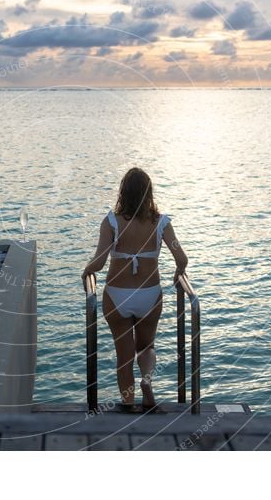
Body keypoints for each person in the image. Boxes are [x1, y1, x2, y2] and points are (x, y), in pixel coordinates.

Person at [81, 167, 188, 411]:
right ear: (149, 193)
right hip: (149, 295)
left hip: (117, 295)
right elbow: (181, 258)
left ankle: (128, 404)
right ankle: (147, 381)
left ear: (123, 193)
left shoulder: (111, 222)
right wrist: (177, 273)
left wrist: (85, 271)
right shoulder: (162, 223)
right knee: (146, 347)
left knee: (124, 355)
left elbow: (98, 262)